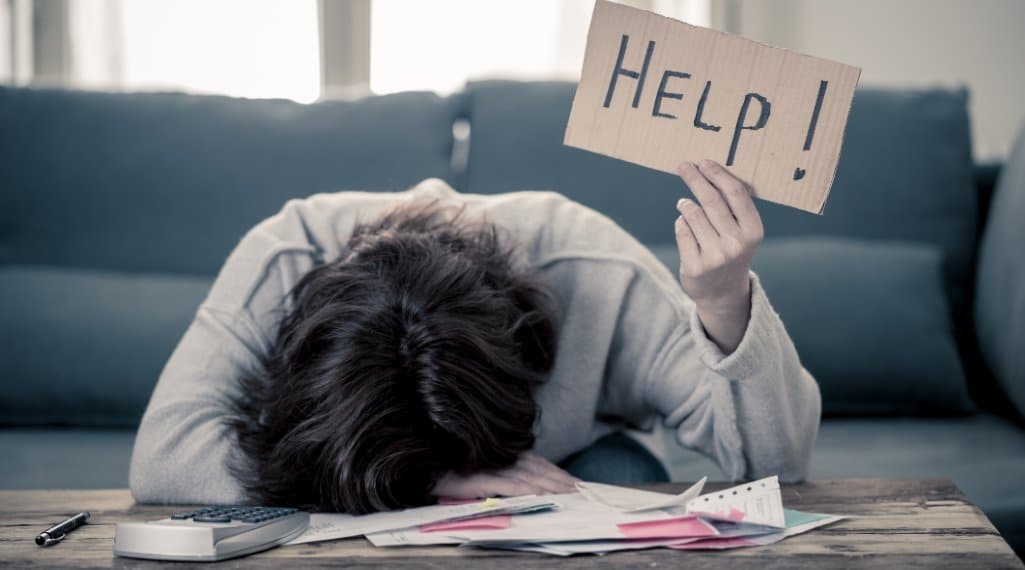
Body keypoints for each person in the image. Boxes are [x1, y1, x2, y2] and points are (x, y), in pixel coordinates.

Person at [129, 159, 821, 514]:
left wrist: (724, 303)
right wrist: (429, 479)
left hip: (560, 466)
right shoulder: (285, 253)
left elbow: (770, 464)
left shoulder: (594, 266)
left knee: (624, 478)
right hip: (355, 464)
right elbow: (164, 460)